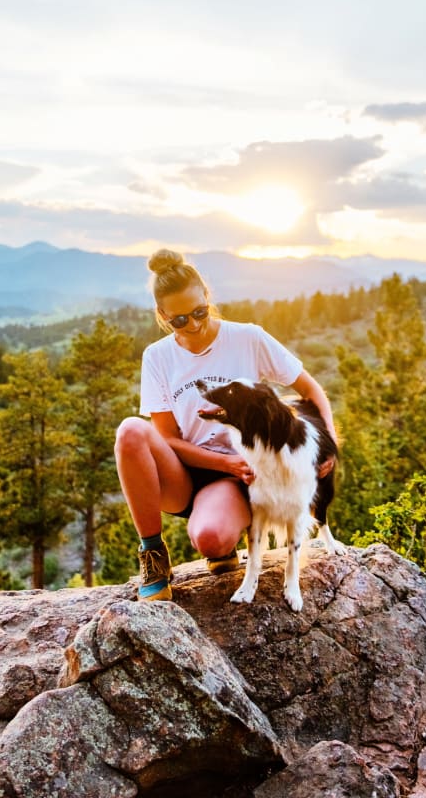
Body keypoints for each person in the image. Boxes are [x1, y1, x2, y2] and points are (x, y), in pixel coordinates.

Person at [114, 248, 338, 601]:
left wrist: (330, 447)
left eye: (199, 312)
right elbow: (167, 438)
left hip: (242, 476)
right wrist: (222, 462)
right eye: (180, 320)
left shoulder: (247, 338)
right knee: (130, 431)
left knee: (210, 538)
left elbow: (310, 389)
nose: (194, 324)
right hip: (186, 472)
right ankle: (153, 555)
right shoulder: (157, 357)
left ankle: (224, 540)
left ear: (207, 296)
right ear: (162, 316)